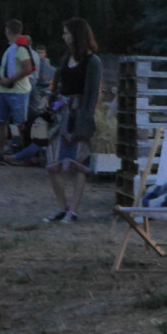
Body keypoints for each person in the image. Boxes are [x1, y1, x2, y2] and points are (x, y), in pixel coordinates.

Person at [45, 18, 102, 223]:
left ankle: (74, 210)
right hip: (61, 114)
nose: (64, 36)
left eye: (66, 33)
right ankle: (62, 207)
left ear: (76, 35)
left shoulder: (92, 61)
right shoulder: (65, 58)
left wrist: (86, 119)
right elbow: (59, 84)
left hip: (79, 115)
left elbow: (92, 93)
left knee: (79, 163)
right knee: (52, 162)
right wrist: (50, 101)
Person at [0, 20, 36, 163]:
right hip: (4, 90)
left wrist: (10, 80)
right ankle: (0, 155)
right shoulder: (12, 48)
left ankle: (25, 155)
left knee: (21, 123)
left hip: (17, 91)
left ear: (8, 30)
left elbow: (28, 68)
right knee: (1, 122)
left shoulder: (21, 47)